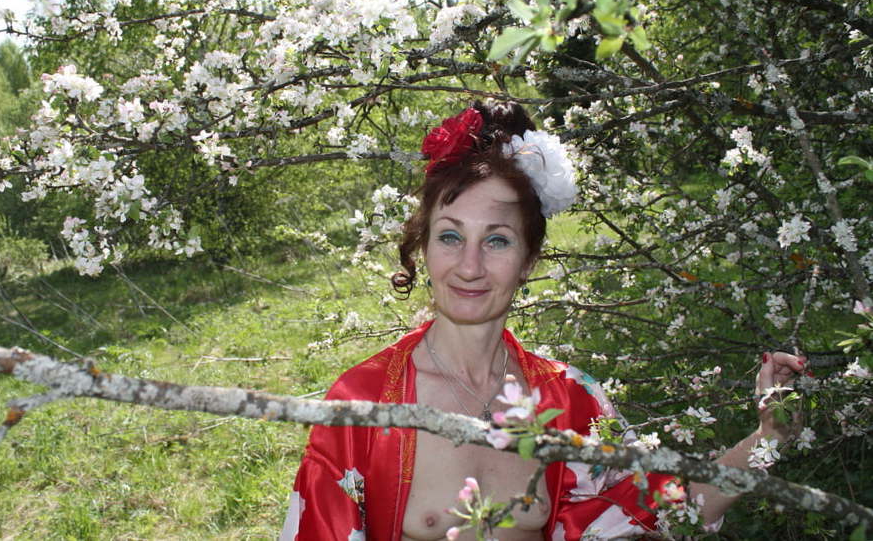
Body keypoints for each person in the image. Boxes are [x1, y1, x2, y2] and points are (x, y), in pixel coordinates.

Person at [280, 102, 805, 540]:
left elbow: (663, 511)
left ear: (529, 259)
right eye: (450, 236)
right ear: (423, 245)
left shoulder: (573, 400)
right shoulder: (362, 406)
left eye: (497, 240)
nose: (469, 266)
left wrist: (769, 436)